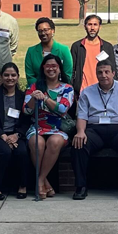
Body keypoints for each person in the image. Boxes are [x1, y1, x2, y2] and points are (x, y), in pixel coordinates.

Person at [70, 57, 118, 200]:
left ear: (113, 73)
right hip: (95, 129)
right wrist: (81, 132)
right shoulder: (87, 92)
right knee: (78, 144)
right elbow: (82, 117)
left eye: (107, 72)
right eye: (100, 72)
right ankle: (81, 186)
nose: (104, 75)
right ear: (96, 74)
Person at [28, 55, 76, 199]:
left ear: (59, 69)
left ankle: (40, 180)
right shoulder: (34, 86)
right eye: (48, 66)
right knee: (37, 143)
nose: (51, 69)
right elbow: (26, 110)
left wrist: (45, 98)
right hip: (37, 126)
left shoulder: (67, 88)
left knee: (54, 142)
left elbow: (63, 109)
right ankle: (45, 182)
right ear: (43, 68)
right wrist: (32, 98)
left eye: (54, 66)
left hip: (58, 128)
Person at [0, 62, 32, 200]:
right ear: (1, 77)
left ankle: (22, 186)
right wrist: (3, 136)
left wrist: (16, 135)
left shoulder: (23, 97)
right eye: (6, 75)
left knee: (22, 151)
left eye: (13, 75)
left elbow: (26, 120)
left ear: (17, 77)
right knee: (4, 151)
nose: (9, 78)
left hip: (17, 134)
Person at [70, 14, 115, 96]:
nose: (92, 28)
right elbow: (71, 70)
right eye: (89, 24)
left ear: (100, 27)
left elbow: (113, 70)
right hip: (82, 92)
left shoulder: (107, 47)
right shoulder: (77, 46)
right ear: (85, 26)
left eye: (95, 25)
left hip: (102, 91)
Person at [25, 17, 73, 85]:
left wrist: (53, 87)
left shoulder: (64, 50)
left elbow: (67, 75)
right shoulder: (31, 51)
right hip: (37, 91)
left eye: (46, 30)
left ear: (53, 31)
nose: (43, 33)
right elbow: (30, 76)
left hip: (59, 91)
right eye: (40, 31)